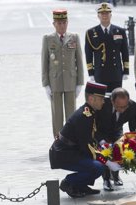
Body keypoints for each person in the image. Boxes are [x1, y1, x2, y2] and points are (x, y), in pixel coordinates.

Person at [49, 82, 122, 198]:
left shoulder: (90, 112)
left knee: (98, 164)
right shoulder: (84, 116)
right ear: (91, 99)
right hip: (63, 153)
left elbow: (90, 140)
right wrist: (107, 161)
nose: (103, 102)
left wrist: (104, 148)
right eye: (101, 99)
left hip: (72, 150)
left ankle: (80, 185)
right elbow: (87, 147)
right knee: (98, 166)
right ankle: (69, 182)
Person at [41, 9, 84, 138]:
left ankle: (71, 138)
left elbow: (79, 61)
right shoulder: (48, 39)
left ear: (67, 23)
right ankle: (58, 140)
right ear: (54, 24)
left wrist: (80, 83)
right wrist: (45, 84)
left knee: (71, 112)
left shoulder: (74, 37)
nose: (62, 25)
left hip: (71, 80)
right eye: (59, 23)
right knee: (57, 113)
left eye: (64, 22)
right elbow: (44, 62)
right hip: (55, 82)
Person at [95, 87, 136, 191]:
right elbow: (94, 127)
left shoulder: (133, 106)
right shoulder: (101, 105)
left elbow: (133, 126)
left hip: (117, 129)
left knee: (118, 148)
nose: (122, 110)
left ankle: (115, 176)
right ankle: (106, 179)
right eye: (119, 107)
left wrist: (135, 140)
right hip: (101, 131)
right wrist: (102, 142)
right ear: (112, 101)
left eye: (125, 106)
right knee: (104, 152)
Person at [85, 3, 129, 93]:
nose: (105, 16)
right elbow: (88, 54)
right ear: (98, 16)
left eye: (107, 13)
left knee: (116, 100)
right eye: (102, 14)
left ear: (111, 15)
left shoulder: (120, 31)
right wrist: (91, 73)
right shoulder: (91, 33)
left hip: (116, 73)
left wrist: (126, 70)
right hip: (100, 73)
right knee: (102, 101)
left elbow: (125, 52)